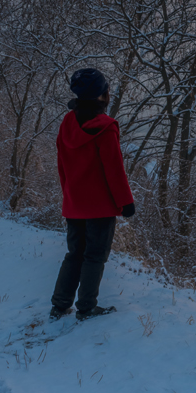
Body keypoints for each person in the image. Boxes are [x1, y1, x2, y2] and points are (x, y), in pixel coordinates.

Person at [50, 68, 136, 321]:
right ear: (101, 95)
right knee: (95, 256)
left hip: (74, 204)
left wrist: (69, 195)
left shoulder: (67, 123)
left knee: (74, 254)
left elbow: (62, 165)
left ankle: (59, 305)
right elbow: (114, 170)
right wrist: (126, 202)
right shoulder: (106, 128)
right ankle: (86, 308)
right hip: (100, 207)